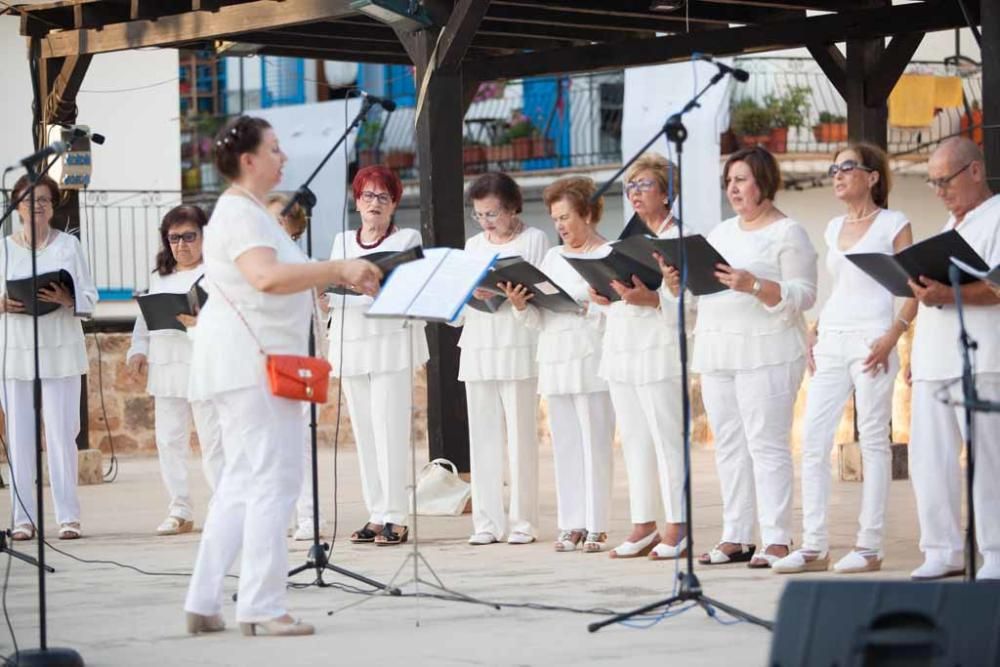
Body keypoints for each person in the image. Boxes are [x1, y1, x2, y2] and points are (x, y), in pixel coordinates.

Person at [183, 115, 381, 637]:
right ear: (248, 160)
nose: (283, 156)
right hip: (253, 365)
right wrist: (336, 269)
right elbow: (267, 278)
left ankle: (206, 599)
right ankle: (263, 606)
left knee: (243, 482)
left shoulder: (248, 213)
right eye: (274, 149)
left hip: (244, 362)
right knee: (277, 480)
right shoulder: (241, 213)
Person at [773, 143, 916, 575]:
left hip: (875, 338)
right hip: (832, 337)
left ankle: (869, 547)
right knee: (813, 442)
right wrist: (816, 327)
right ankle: (815, 546)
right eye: (834, 168)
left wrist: (894, 334)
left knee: (873, 442)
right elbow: (841, 286)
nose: (837, 174)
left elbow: (913, 288)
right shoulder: (833, 226)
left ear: (872, 176)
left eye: (847, 167)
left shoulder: (894, 223)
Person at [692, 146, 818, 569]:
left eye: (741, 179)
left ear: (764, 181)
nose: (733, 188)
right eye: (729, 181)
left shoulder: (788, 232)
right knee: (728, 444)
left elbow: (804, 294)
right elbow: (702, 288)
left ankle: (778, 538)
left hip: (768, 348)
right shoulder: (720, 233)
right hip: (718, 347)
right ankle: (737, 535)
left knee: (766, 444)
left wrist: (755, 286)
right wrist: (679, 279)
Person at [502, 176, 614, 553]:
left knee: (594, 443)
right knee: (565, 442)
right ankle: (572, 523)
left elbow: (617, 314)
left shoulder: (607, 254)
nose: (561, 226)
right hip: (555, 355)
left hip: (592, 356)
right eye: (555, 219)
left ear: (587, 212)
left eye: (566, 216)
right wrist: (522, 306)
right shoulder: (552, 257)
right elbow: (539, 318)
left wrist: (592, 306)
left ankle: (598, 524)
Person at [906, 137, 1000, 581]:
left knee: (988, 460)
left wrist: (948, 293)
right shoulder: (949, 226)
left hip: (983, 359)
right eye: (933, 183)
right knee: (928, 460)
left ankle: (996, 551)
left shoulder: (998, 216)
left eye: (946, 180)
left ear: (976, 172)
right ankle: (942, 548)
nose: (940, 190)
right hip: (932, 360)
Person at [591, 152, 692, 560]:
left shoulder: (681, 239)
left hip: (660, 348)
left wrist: (656, 299)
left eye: (645, 185)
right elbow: (620, 295)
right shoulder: (622, 242)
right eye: (630, 186)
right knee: (633, 438)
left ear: (667, 194)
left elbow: (694, 302)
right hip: (623, 346)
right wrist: (603, 295)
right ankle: (643, 523)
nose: (634, 192)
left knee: (668, 438)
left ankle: (679, 524)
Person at [325, 165, 426, 547]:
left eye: (383, 197)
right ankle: (377, 511)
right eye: (368, 196)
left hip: (390, 340)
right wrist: (327, 291)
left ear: (395, 203)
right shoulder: (342, 241)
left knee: (390, 429)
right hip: (352, 340)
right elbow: (336, 290)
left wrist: (378, 289)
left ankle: (397, 516)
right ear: (356, 200)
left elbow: (410, 287)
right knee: (365, 432)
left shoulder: (407, 238)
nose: (374, 203)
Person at [1, 174, 98, 541]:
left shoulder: (68, 246)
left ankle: (68, 516)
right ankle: (23, 518)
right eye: (28, 199)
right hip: (15, 347)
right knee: (19, 435)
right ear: (16, 205)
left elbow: (89, 293)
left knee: (61, 433)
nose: (36, 206)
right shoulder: (3, 248)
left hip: (59, 344)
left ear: (52, 205)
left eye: (43, 199)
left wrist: (69, 299)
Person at [461, 172, 550, 546]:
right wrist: (471, 294)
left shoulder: (534, 240)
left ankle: (523, 521)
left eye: (493, 213)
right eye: (479, 214)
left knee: (520, 436)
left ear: (513, 207)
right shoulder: (472, 245)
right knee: (482, 437)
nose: (486, 222)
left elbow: (542, 291)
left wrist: (516, 299)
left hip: (518, 340)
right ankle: (486, 521)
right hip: (480, 340)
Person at [126, 205, 225, 536]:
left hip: (203, 363)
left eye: (189, 236)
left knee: (213, 439)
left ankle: (224, 506)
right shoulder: (159, 277)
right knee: (169, 440)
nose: (181, 245)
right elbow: (144, 320)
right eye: (174, 238)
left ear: (204, 236)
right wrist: (138, 350)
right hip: (166, 363)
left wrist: (204, 322)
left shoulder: (218, 272)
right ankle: (179, 507)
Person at [265, 193, 324, 542]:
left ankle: (311, 517)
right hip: (266, 357)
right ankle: (281, 514)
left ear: (294, 226)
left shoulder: (304, 262)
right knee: (272, 444)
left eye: (280, 220)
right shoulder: (257, 263)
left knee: (301, 442)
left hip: (299, 357)